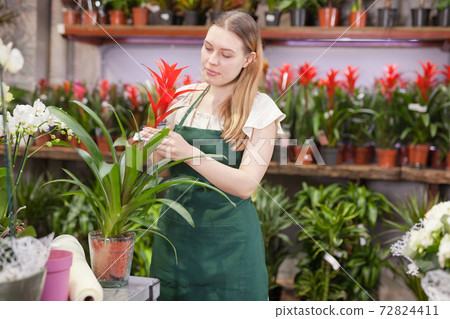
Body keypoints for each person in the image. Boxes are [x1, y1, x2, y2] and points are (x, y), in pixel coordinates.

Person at [142, 10, 285, 301]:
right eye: (208, 48)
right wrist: (150, 152)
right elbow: (159, 172)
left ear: (248, 59)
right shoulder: (183, 98)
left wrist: (188, 152)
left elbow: (246, 185)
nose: (212, 60)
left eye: (226, 54)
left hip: (232, 249)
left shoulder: (262, 110)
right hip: (175, 242)